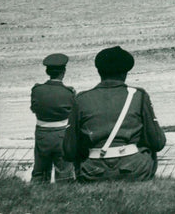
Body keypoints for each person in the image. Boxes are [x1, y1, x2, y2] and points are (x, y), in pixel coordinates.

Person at [63, 45, 166, 181]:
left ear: (99, 71)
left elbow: (69, 150)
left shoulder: (81, 99)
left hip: (92, 172)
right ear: (125, 73)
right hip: (134, 170)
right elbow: (158, 142)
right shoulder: (138, 96)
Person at [30, 53, 76, 182]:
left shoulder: (37, 90)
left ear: (47, 71)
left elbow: (34, 109)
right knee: (64, 173)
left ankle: (37, 197)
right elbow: (73, 114)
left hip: (42, 133)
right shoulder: (68, 92)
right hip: (62, 133)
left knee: (40, 172)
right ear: (63, 72)